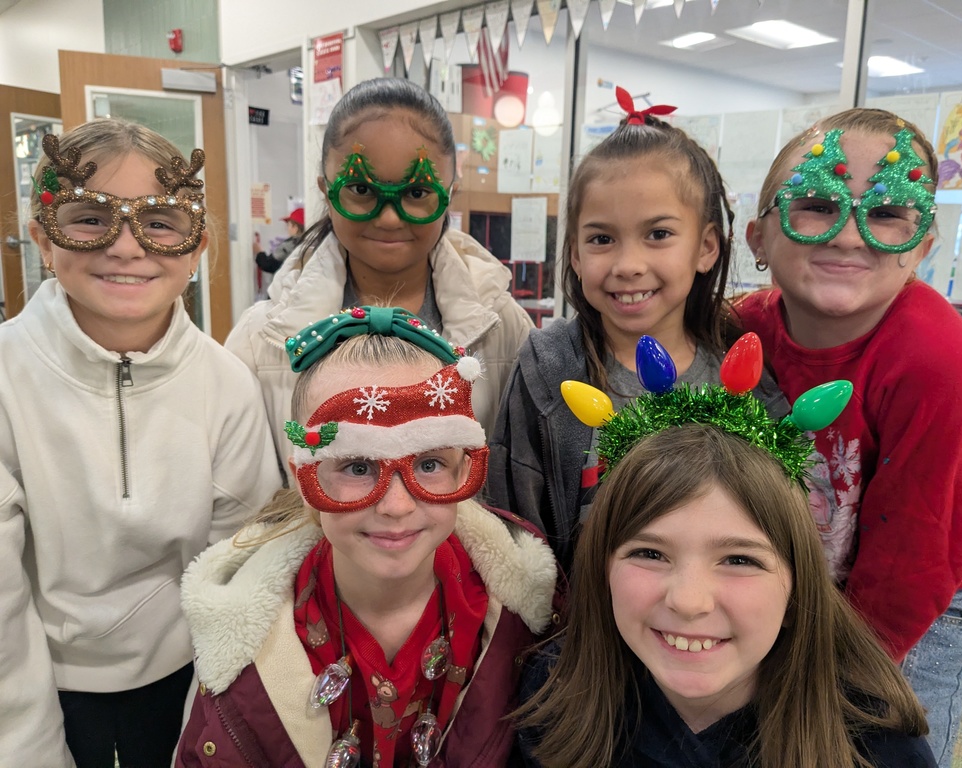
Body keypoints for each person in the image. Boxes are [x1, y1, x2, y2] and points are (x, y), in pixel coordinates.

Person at [0, 120, 280, 768]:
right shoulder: (7, 378)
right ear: (43, 239)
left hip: (188, 680)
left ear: (197, 246)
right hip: (38, 682)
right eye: (89, 219)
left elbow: (241, 572)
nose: (126, 247)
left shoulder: (226, 386)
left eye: (159, 222)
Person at [739, 108, 962, 768]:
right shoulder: (742, 330)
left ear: (922, 247)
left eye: (888, 213)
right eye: (815, 205)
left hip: (920, 600)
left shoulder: (934, 354)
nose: (848, 236)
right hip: (804, 581)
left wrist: (836, 679)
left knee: (878, 746)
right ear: (758, 238)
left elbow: (918, 556)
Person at [176, 306, 559, 767]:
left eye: (429, 464)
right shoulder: (241, 651)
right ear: (304, 479)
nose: (396, 506)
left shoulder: (528, 625)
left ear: (464, 470)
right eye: (357, 467)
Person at [517, 347, 936, 767]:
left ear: (797, 589)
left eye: (739, 560)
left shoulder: (876, 746)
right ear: (602, 570)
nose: (689, 601)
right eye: (650, 553)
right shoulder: (555, 694)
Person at [486, 87, 787, 572]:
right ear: (575, 254)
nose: (628, 265)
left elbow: (779, 520)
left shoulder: (741, 372)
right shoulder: (548, 367)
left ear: (706, 247)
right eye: (602, 239)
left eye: (658, 234)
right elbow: (513, 525)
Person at [227, 78, 533, 464]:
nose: (389, 218)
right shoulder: (258, 341)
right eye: (360, 189)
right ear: (326, 190)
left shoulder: (506, 330)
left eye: (417, 193)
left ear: (449, 195)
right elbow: (251, 491)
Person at [253, 206, 305, 274]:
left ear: (295, 227)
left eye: (288, 225)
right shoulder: (308, 242)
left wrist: (259, 252)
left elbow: (268, 265)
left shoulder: (290, 245)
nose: (287, 228)